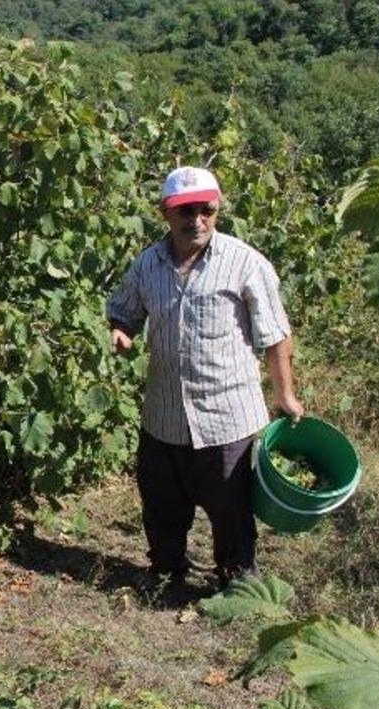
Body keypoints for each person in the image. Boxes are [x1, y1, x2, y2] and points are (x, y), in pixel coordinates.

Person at [106, 166, 304, 588]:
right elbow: (123, 311)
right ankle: (166, 571)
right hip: (164, 413)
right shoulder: (148, 264)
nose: (196, 219)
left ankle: (237, 582)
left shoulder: (244, 262)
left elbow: (276, 333)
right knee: (162, 503)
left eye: (206, 210)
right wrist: (120, 332)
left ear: (217, 209)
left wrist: (285, 394)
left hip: (225, 415)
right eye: (185, 211)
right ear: (166, 213)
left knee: (230, 508)